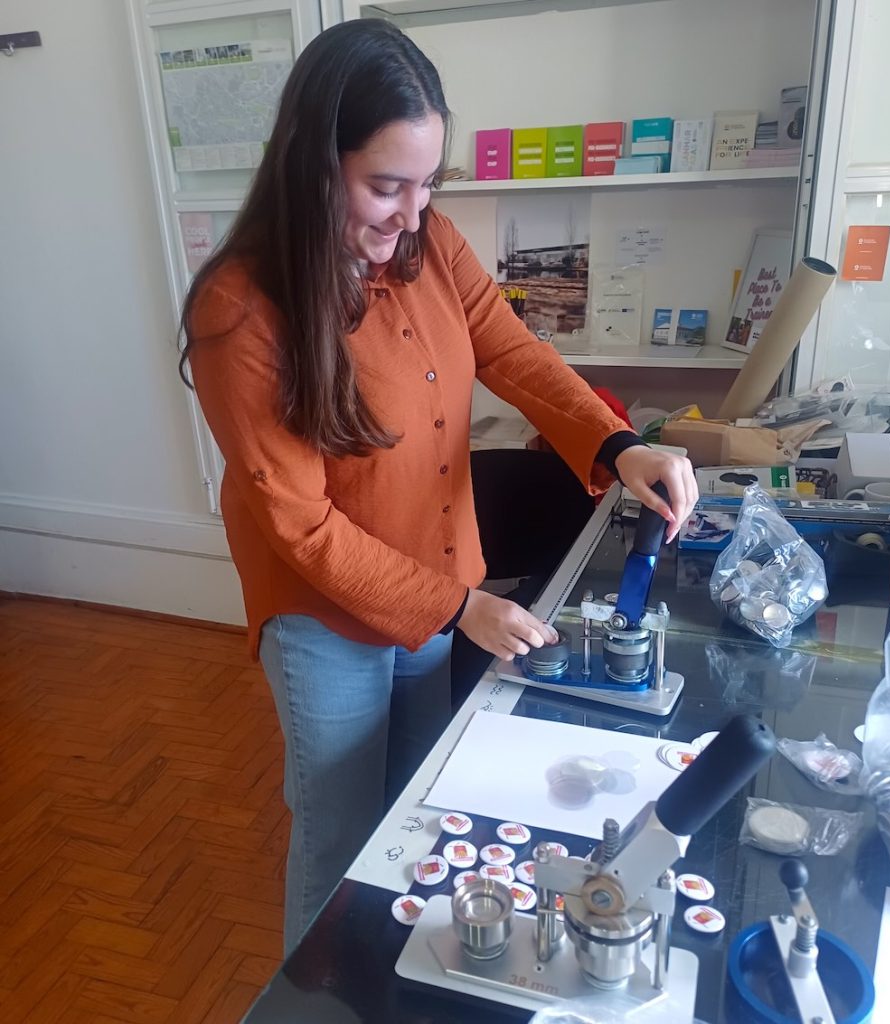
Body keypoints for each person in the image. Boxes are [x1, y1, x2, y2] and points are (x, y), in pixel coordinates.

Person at [181, 18, 697, 954]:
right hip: (324, 615)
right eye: (386, 186)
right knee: (341, 837)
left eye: (428, 186)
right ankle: (321, 999)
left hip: (431, 583)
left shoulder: (430, 244)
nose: (411, 215)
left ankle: (395, 980)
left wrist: (619, 443)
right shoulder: (240, 308)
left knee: (417, 813)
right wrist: (459, 608)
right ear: (312, 165)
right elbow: (302, 528)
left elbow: (514, 353)